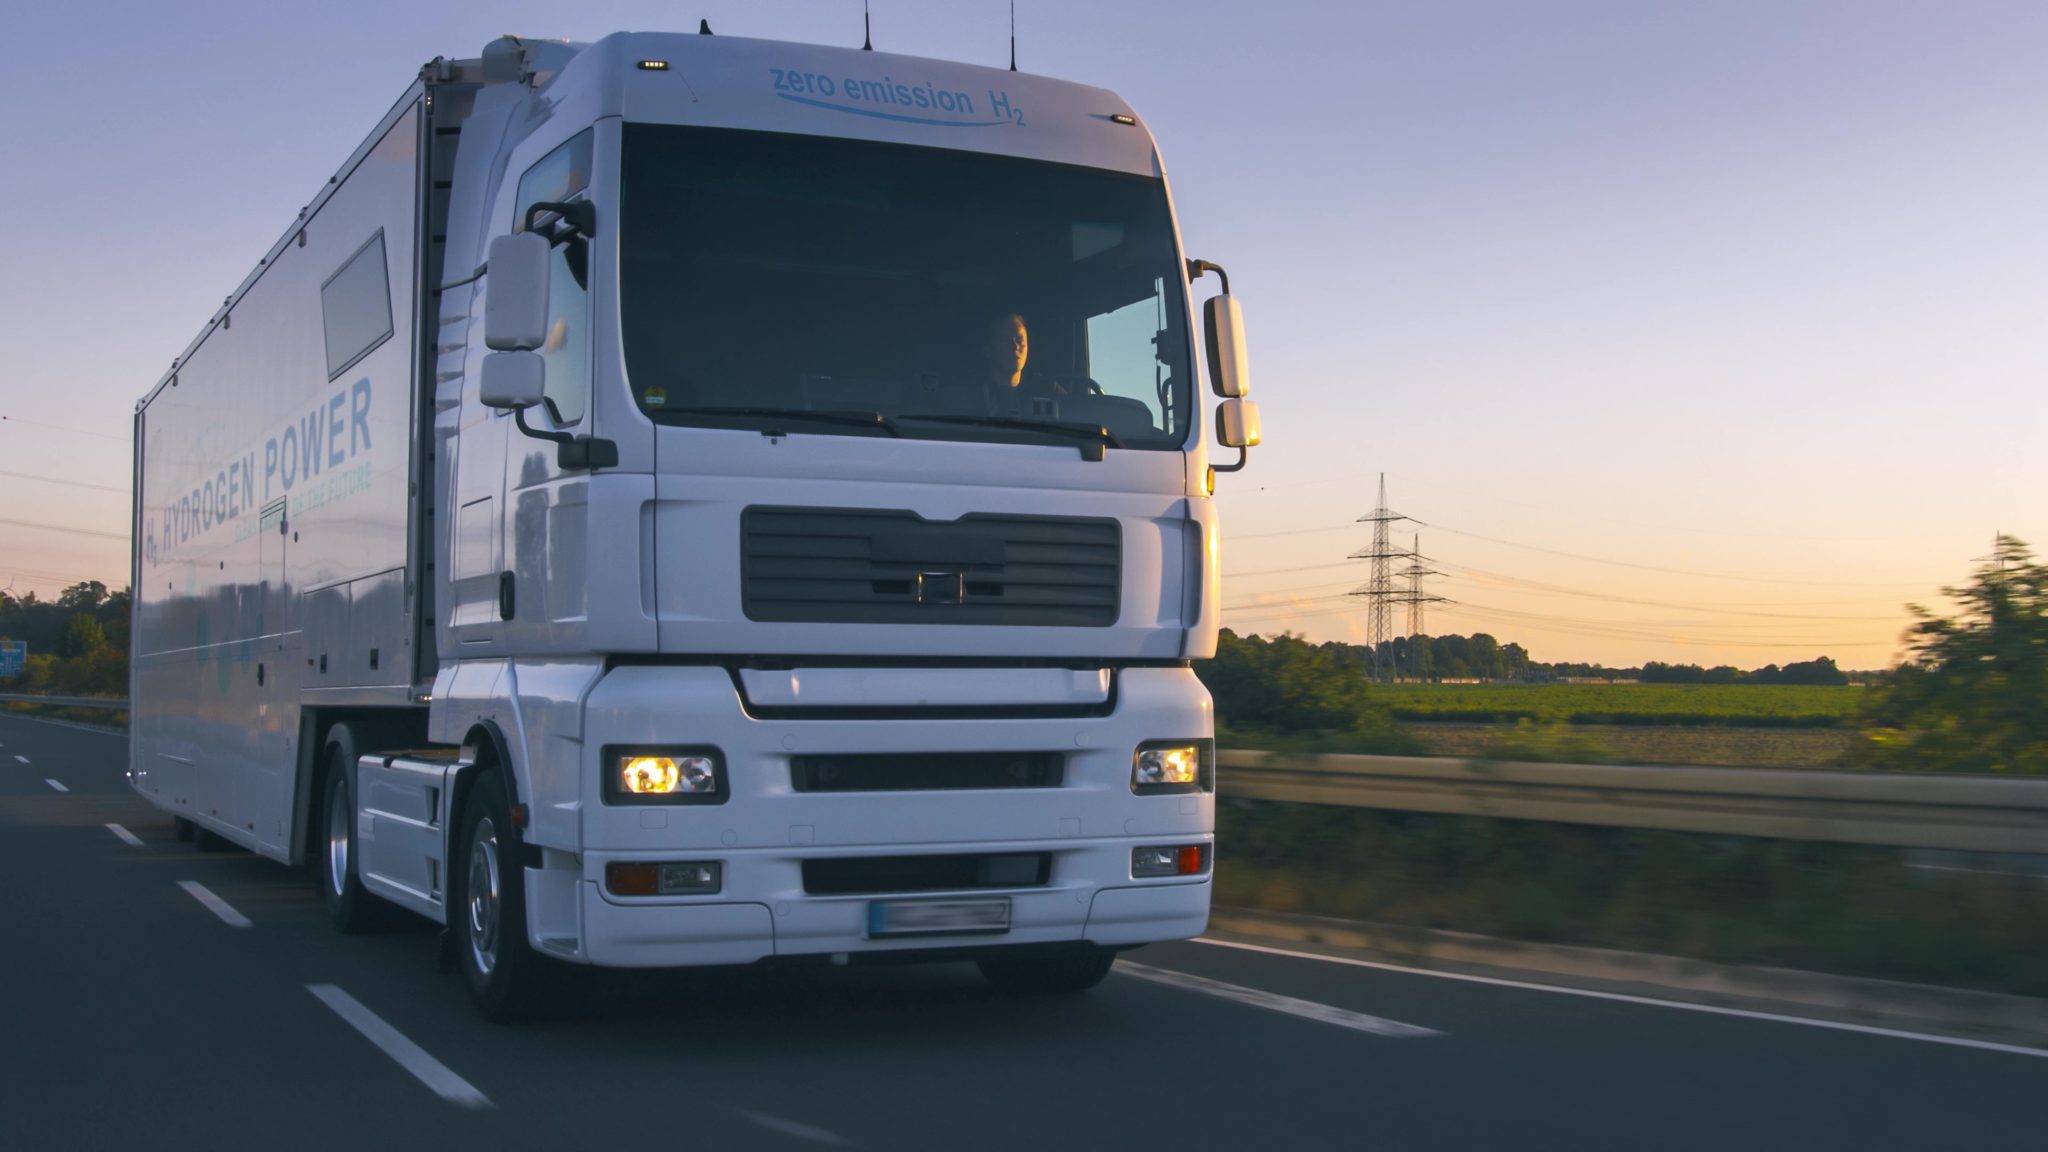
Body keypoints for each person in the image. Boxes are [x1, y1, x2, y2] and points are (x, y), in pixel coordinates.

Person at [981, 313, 1065, 418]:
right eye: (1005, 340)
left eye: (1020, 339)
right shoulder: (973, 395)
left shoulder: (1047, 390)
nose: (1015, 346)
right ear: (988, 350)